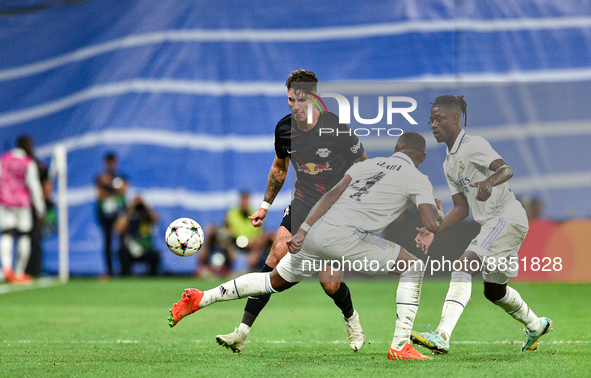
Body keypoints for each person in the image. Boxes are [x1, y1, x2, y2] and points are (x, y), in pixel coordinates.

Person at [168, 131, 443, 361]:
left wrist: (305, 230)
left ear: (395, 149)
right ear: (422, 157)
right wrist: (435, 216)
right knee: (413, 267)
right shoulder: (419, 179)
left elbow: (330, 196)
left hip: (318, 228)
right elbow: (431, 220)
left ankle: (202, 298)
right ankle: (400, 346)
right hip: (347, 237)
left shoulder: (365, 166)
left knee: (273, 280)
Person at [215, 69, 369, 354]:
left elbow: (363, 164)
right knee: (274, 258)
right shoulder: (284, 129)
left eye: (300, 100)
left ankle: (351, 318)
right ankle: (242, 332)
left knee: (330, 285)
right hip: (302, 203)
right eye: (290, 100)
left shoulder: (336, 129)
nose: (295, 106)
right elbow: (279, 168)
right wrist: (264, 207)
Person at [411, 94, 553, 354]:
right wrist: (435, 228)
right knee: (495, 291)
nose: (433, 125)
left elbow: (506, 169)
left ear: (455, 119)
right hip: (496, 223)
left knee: (464, 264)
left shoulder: (473, 144)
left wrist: (490, 181)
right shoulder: (448, 163)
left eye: (439, 119)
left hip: (504, 217)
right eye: (431, 120)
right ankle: (536, 325)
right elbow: (461, 208)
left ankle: (441, 335)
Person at [0, 135, 46, 283]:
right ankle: (19, 272)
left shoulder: (5, 158)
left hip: (5, 201)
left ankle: (7, 269)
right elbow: (34, 187)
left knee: (6, 233)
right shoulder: (28, 162)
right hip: (22, 204)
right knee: (23, 235)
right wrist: (40, 209)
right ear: (24, 145)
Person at [95, 152, 127, 277]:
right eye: (109, 162)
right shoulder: (100, 178)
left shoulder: (119, 177)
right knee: (107, 243)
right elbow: (100, 194)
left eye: (112, 162)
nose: (111, 165)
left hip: (119, 215)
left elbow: (123, 190)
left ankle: (124, 270)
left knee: (122, 243)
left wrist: (108, 185)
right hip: (105, 215)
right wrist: (114, 189)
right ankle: (110, 271)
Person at [225, 191, 273, 271]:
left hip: (252, 246)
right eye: (242, 201)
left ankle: (251, 268)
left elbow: (260, 233)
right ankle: (226, 268)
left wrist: (252, 242)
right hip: (234, 244)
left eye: (246, 201)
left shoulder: (256, 214)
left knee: (265, 239)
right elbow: (227, 230)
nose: (244, 204)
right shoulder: (231, 214)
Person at [115, 195, 160, 276]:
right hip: (130, 247)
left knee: (155, 255)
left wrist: (144, 206)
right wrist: (130, 210)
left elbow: (156, 219)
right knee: (122, 252)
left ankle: (152, 276)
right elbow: (118, 230)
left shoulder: (146, 214)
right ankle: (125, 276)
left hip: (145, 247)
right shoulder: (128, 214)